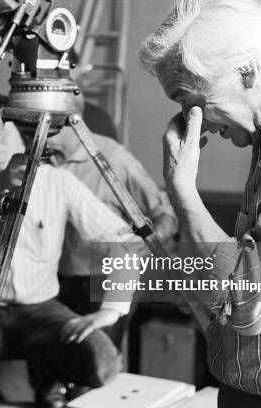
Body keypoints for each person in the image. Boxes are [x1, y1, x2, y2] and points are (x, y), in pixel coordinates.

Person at [140, 0, 261, 406]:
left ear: (246, 71)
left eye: (188, 99)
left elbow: (252, 303)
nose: (191, 120)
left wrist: (182, 190)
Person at [0, 95, 146, 408]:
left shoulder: (58, 182)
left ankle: (49, 382)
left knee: (103, 362)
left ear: (26, 139)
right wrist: (3, 183)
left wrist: (112, 310)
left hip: (40, 310)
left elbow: (124, 240)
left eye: (0, 141)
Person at [45, 100, 177, 346]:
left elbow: (163, 212)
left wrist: (141, 248)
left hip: (104, 278)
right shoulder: (42, 159)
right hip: (57, 278)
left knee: (99, 355)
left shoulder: (113, 157)